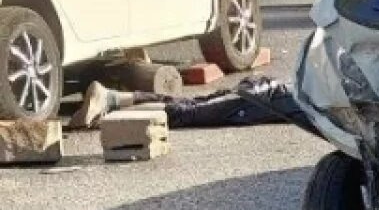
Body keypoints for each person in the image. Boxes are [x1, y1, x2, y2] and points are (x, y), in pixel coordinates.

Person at [68, 78, 310, 132]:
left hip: (270, 97)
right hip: (266, 96)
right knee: (192, 112)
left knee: (193, 109)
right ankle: (111, 101)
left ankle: (113, 100)